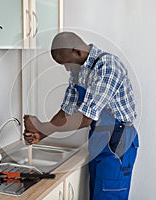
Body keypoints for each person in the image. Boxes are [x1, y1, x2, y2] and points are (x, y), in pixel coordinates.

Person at [23, 31, 139, 200]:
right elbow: (67, 110)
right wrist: (42, 133)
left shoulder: (108, 67)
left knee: (110, 196)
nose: (67, 68)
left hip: (118, 141)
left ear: (77, 51)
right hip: (98, 138)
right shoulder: (78, 72)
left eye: (66, 63)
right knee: (96, 195)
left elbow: (85, 118)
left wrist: (41, 126)